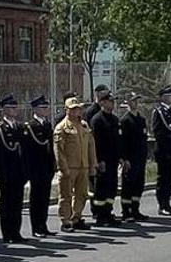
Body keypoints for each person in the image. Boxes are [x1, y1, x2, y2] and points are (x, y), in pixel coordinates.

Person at [53, 96, 95, 231]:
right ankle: (65, 220)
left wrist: (93, 164)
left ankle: (76, 217)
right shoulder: (62, 128)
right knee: (66, 195)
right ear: (67, 110)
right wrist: (63, 168)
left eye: (78, 108)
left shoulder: (84, 125)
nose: (77, 111)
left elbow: (91, 146)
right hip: (69, 167)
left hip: (83, 166)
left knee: (82, 194)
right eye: (73, 109)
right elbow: (59, 151)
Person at [0, 95, 29, 242]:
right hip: (7, 173)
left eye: (15, 107)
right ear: (5, 110)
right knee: (7, 204)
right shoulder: (0, 129)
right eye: (11, 108)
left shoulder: (19, 127)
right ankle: (7, 234)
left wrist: (25, 171)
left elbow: (24, 152)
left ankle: (16, 232)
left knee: (17, 203)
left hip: (19, 173)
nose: (14, 110)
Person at [85, 87, 122, 227]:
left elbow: (118, 141)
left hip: (113, 160)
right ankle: (100, 215)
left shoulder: (114, 119)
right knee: (101, 188)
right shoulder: (97, 120)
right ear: (103, 103)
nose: (112, 104)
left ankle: (108, 212)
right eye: (110, 101)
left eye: (113, 102)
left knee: (112, 187)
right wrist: (98, 160)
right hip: (103, 161)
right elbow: (96, 143)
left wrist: (120, 157)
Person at [21, 96, 57, 237]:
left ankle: (43, 224)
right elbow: (27, 151)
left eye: (46, 108)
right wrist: (28, 170)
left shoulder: (47, 125)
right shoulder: (30, 127)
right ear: (35, 109)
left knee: (45, 198)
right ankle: (36, 227)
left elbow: (50, 147)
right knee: (36, 198)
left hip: (46, 168)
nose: (45, 110)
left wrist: (53, 164)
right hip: (36, 168)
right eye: (42, 108)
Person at [151, 87, 171, 215]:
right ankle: (162, 205)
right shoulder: (158, 112)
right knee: (163, 178)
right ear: (163, 97)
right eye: (169, 96)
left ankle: (167, 203)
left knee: (170, 178)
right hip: (164, 151)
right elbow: (157, 132)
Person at [118, 93, 149, 221]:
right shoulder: (125, 120)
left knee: (138, 184)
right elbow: (122, 142)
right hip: (130, 159)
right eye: (132, 100)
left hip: (140, 158)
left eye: (137, 100)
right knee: (128, 185)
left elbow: (144, 138)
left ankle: (135, 209)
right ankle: (126, 211)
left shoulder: (141, 120)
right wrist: (124, 159)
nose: (135, 103)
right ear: (127, 102)